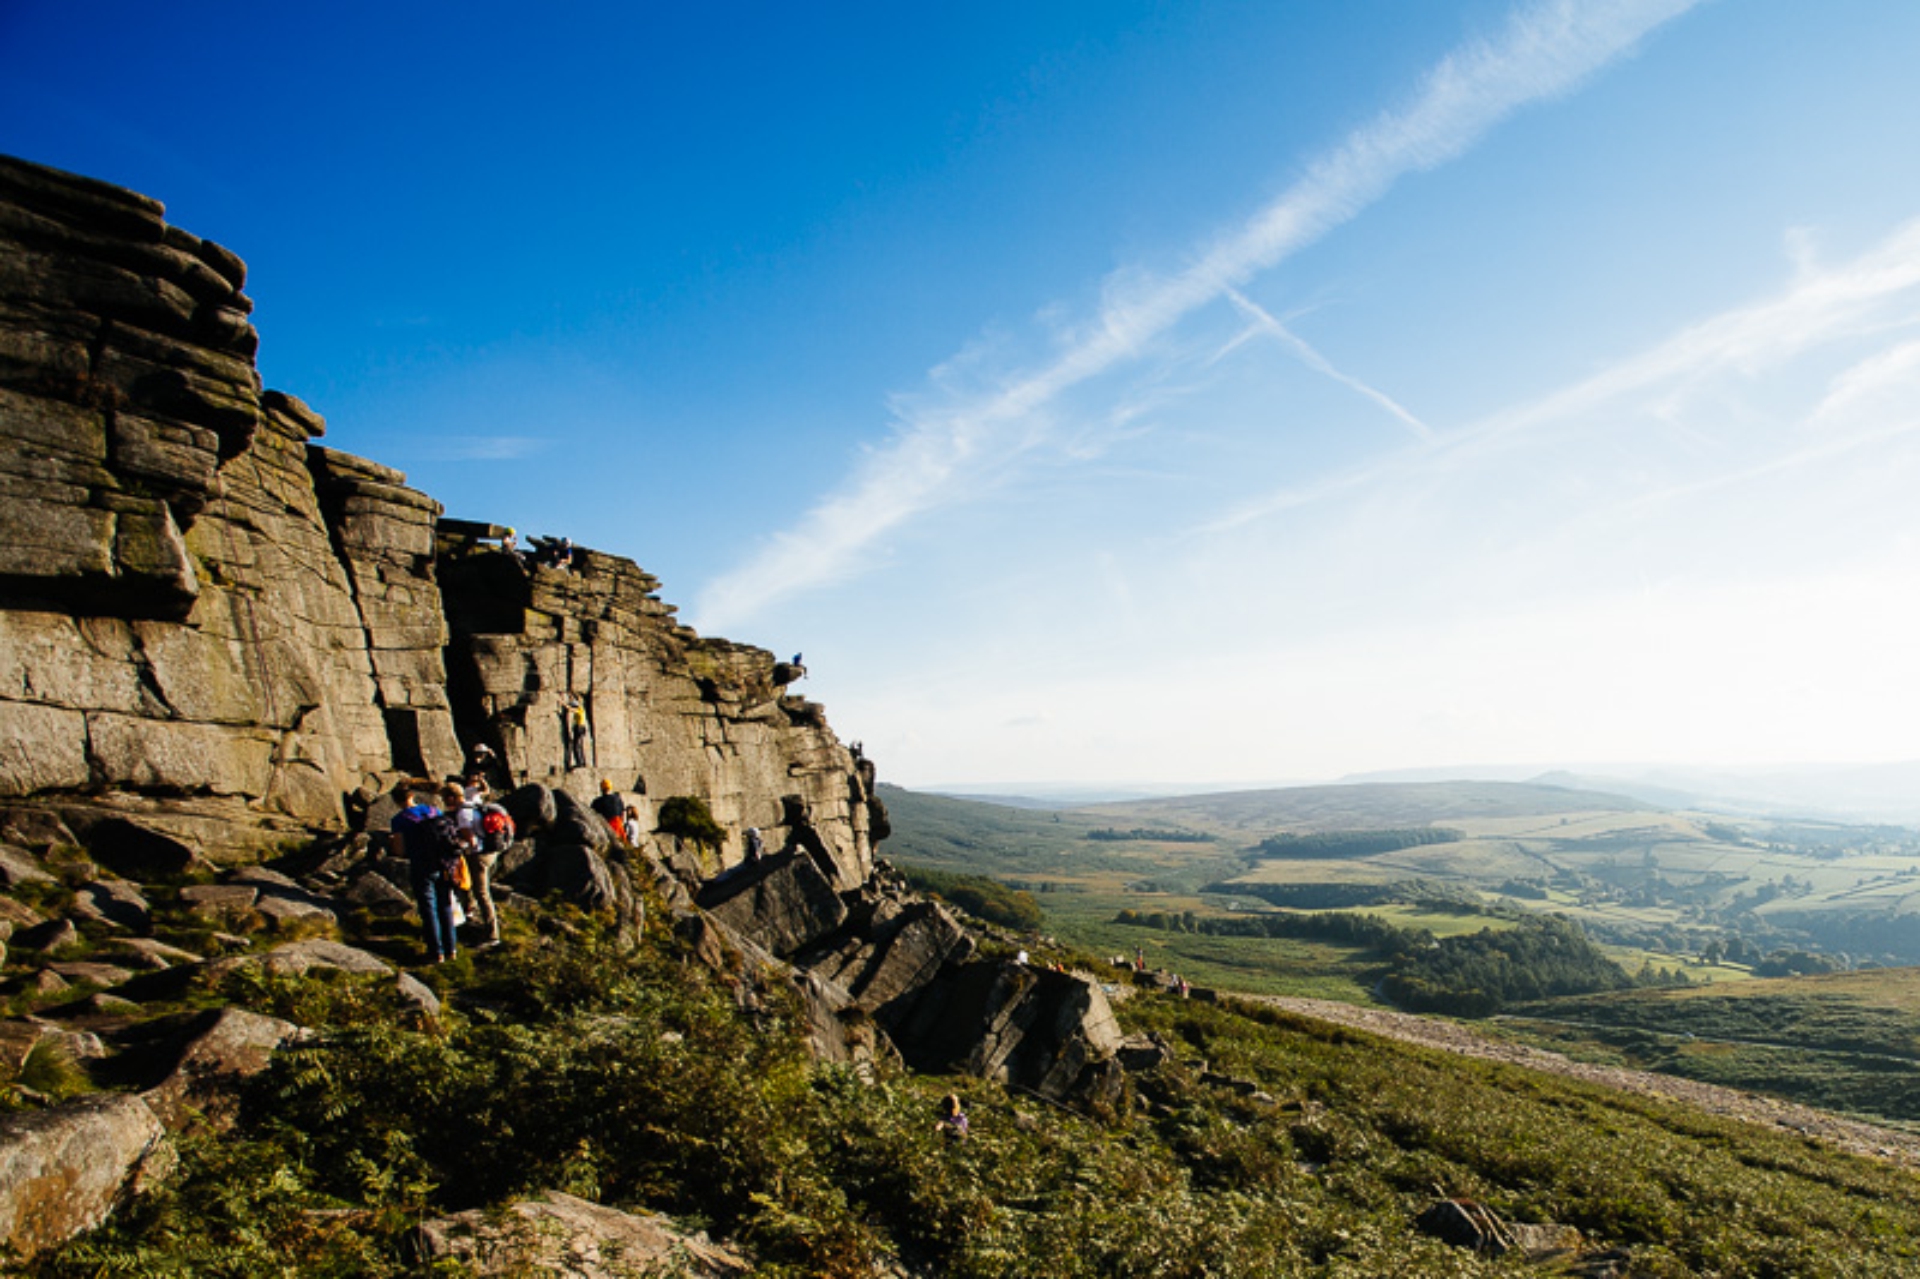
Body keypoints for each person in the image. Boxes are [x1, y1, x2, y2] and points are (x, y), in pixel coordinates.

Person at [391, 787, 461, 964]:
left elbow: (399, 851)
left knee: (428, 908)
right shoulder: (433, 810)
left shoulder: (399, 820)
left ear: (396, 801)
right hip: (445, 863)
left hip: (422, 864)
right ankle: (451, 949)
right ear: (412, 796)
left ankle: (436, 953)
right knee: (445, 904)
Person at [469, 790, 515, 947]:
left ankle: (492, 935)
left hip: (480, 855)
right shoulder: (485, 810)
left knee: (482, 893)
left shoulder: (467, 813)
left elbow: (471, 839)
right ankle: (470, 911)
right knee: (477, 888)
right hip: (492, 852)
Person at [564, 695, 590, 770]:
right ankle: (582, 762)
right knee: (579, 746)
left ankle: (580, 763)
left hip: (579, 728)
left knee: (576, 746)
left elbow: (570, 709)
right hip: (580, 728)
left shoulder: (580, 709)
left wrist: (563, 704)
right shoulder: (581, 710)